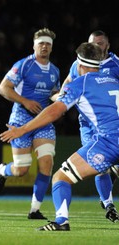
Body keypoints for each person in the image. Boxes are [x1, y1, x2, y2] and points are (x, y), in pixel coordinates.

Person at [0, 42, 119, 231]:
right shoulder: (114, 79)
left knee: (61, 177)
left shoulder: (81, 82)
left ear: (79, 65)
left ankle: (62, 221)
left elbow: (54, 112)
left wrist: (22, 130)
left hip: (108, 143)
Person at [0, 28, 60, 220]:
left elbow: (53, 93)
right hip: (21, 118)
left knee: (47, 162)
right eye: (41, 43)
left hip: (43, 121)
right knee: (22, 170)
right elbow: (3, 88)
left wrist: (60, 97)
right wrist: (25, 101)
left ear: (52, 47)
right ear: (34, 45)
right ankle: (4, 170)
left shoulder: (55, 70)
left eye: (48, 44)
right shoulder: (24, 65)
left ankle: (34, 210)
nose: (44, 46)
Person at [57, 30, 119, 222]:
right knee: (99, 166)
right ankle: (108, 204)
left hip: (111, 124)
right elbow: (68, 83)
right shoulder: (79, 64)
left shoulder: (116, 64)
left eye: (100, 43)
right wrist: (61, 99)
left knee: (108, 164)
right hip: (88, 124)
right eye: (93, 43)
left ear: (107, 45)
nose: (96, 47)